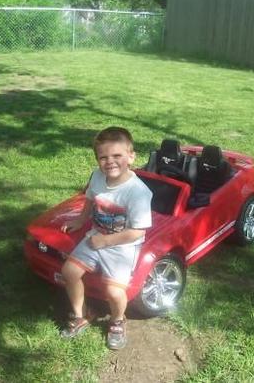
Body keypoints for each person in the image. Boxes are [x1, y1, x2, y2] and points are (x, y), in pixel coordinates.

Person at [59, 126, 153, 350]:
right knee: (68, 272)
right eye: (103, 157)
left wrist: (106, 241)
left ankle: (118, 320)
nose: (110, 161)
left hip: (122, 246)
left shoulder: (138, 192)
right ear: (98, 160)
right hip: (96, 237)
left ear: (131, 157)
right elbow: (90, 200)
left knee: (113, 291)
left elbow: (139, 232)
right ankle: (81, 314)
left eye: (117, 156)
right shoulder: (97, 177)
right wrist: (81, 221)